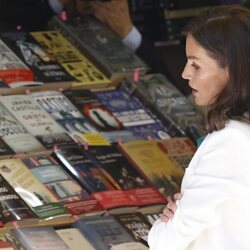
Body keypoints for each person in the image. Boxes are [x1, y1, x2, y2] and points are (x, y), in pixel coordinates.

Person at [148, 4, 250, 250]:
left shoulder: (231, 141)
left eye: (195, 65)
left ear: (231, 70)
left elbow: (166, 242)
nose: (184, 73)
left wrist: (164, 223)